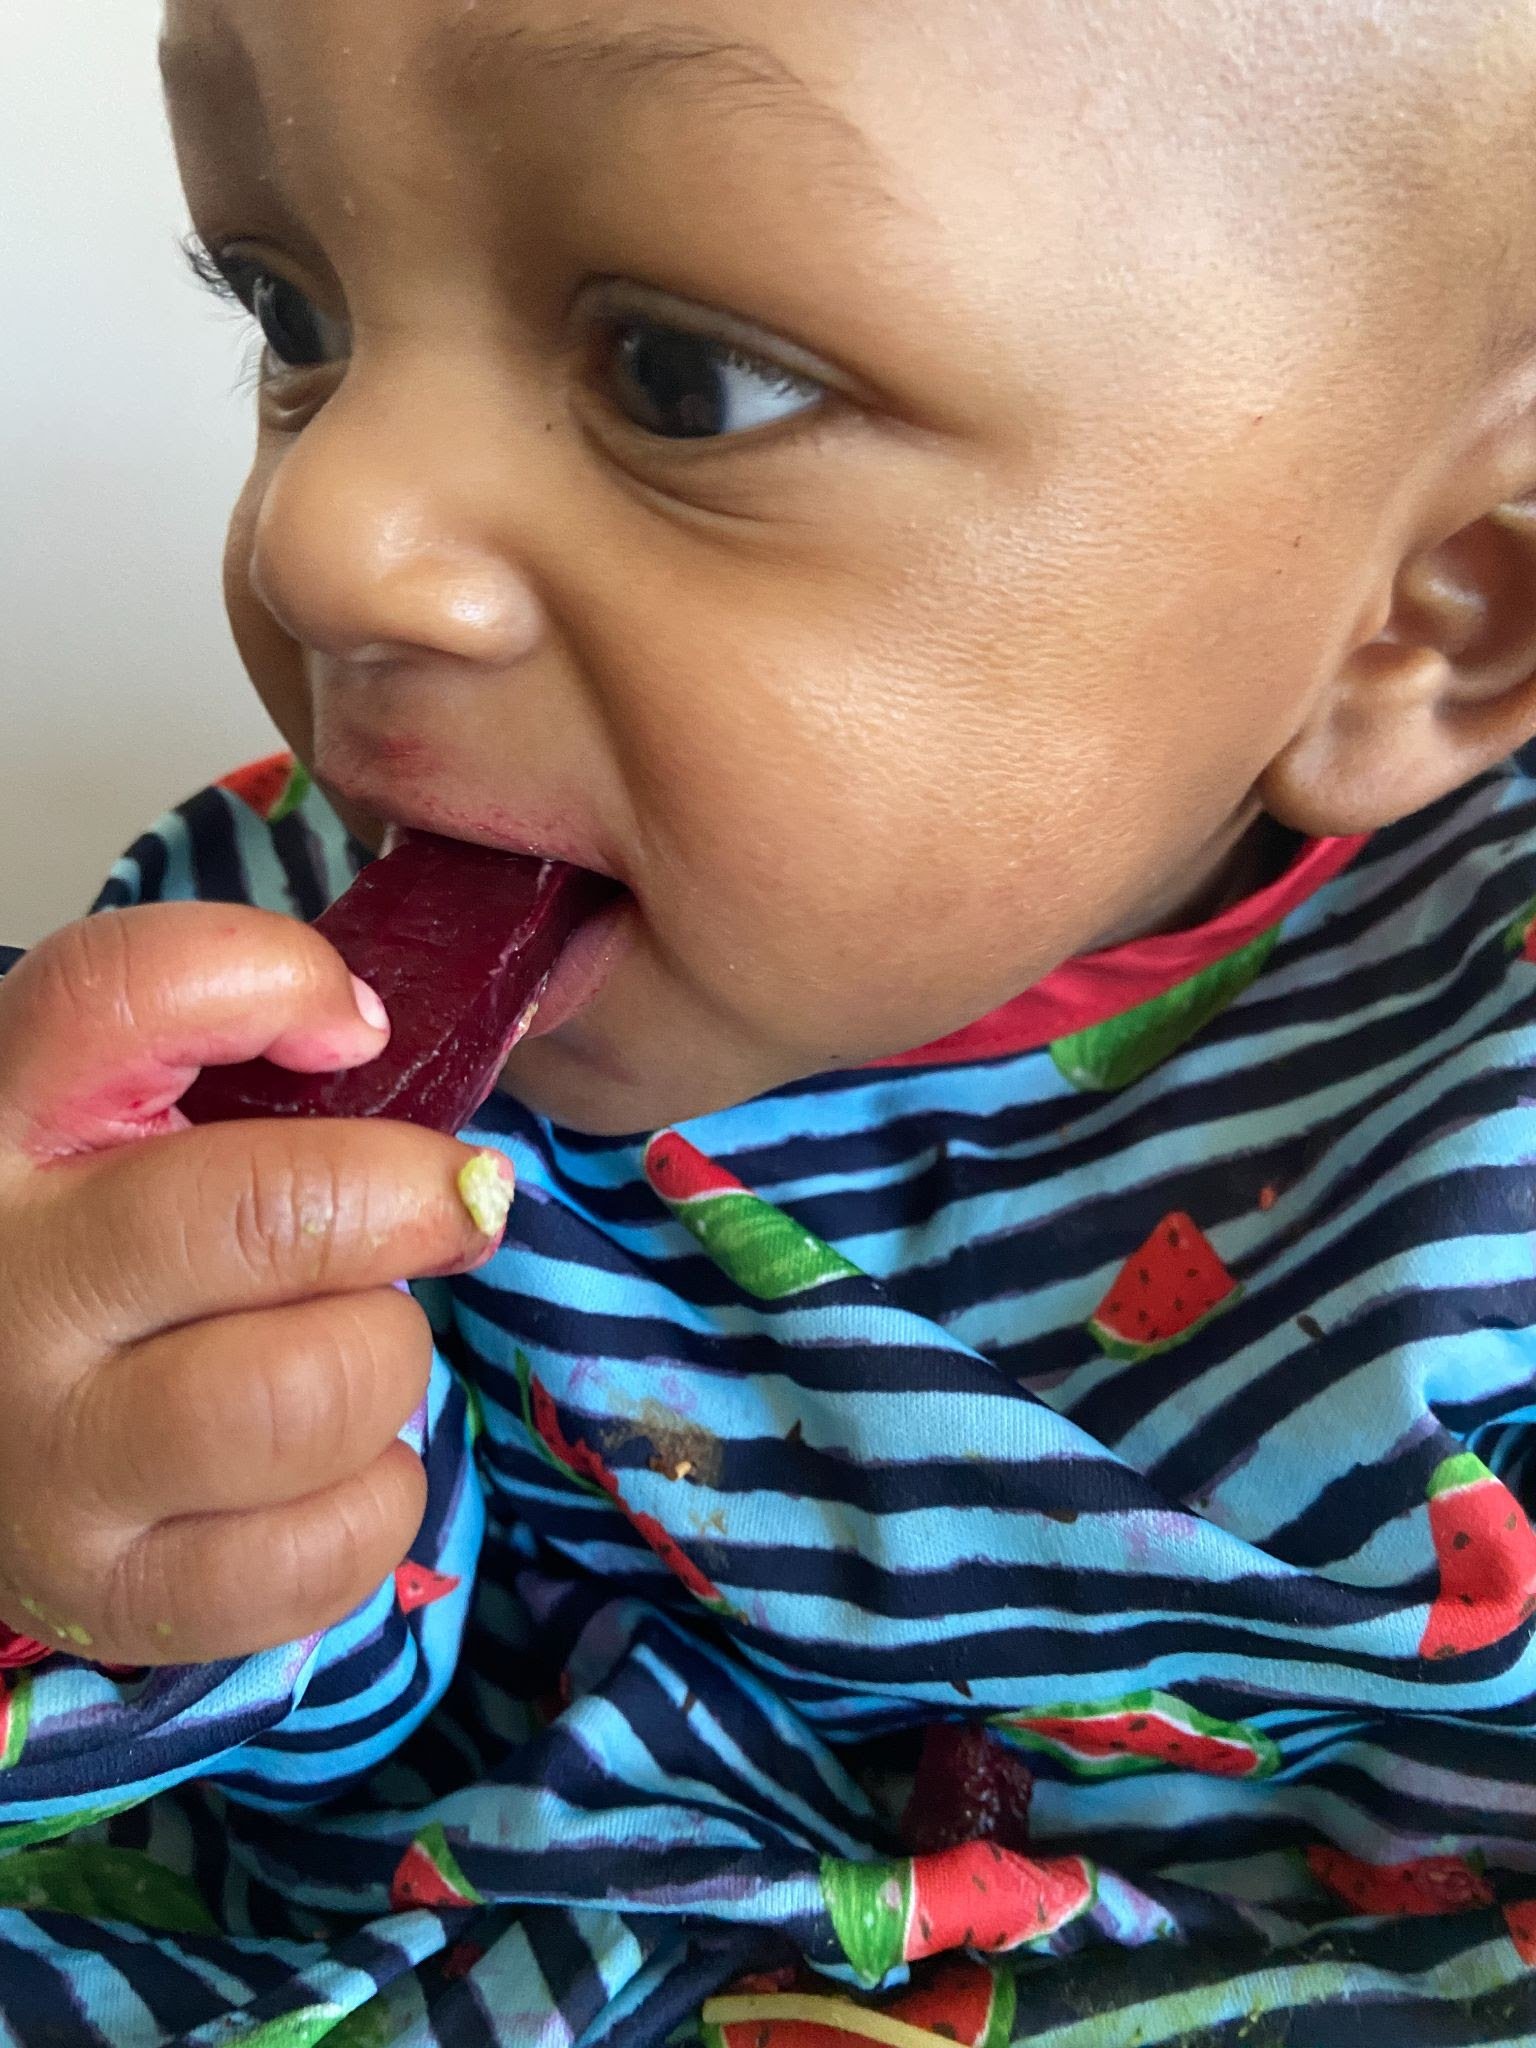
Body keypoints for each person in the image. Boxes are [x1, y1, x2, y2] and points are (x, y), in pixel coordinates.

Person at [3, 0, 1536, 2040]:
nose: (324, 531)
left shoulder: (1486, 1082)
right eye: (298, 317)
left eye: (682, 377)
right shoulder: (240, 984)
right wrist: (106, 1496)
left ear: (1427, 618)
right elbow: (303, 1751)